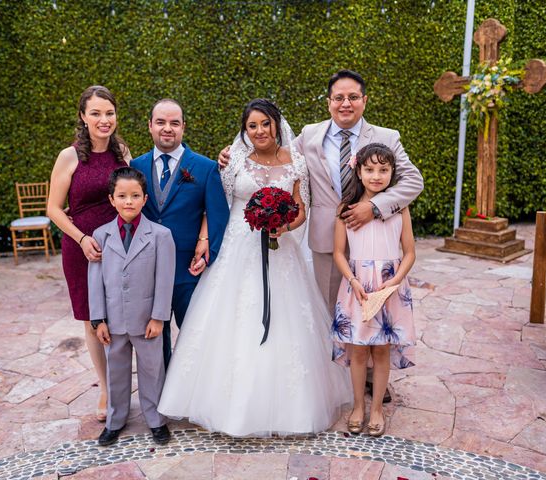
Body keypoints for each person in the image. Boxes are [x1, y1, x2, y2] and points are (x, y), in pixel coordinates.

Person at [219, 70, 423, 402]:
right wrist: (231, 155)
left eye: (353, 97)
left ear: (364, 100)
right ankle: (340, 380)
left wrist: (374, 207)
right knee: (335, 309)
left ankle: (373, 376)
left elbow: (414, 181)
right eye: (339, 98)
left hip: (376, 240)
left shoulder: (387, 136)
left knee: (376, 306)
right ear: (328, 102)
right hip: (328, 239)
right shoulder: (310, 136)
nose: (346, 104)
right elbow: (275, 155)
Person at [158, 99, 351, 437]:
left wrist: (283, 227)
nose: (260, 131)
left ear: (276, 124)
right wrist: (206, 240)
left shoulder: (297, 163)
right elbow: (216, 207)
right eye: (252, 126)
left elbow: (301, 209)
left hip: (281, 252)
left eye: (265, 123)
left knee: (287, 323)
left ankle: (285, 409)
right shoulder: (233, 162)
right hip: (236, 249)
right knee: (228, 320)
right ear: (244, 131)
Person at [47, 85, 131, 422]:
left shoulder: (122, 150)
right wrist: (82, 239)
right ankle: (106, 389)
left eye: (109, 113)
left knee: (122, 315)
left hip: (120, 245)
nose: (103, 119)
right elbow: (53, 209)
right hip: (82, 247)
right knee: (93, 318)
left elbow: (131, 194)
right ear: (83, 117)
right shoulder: (69, 157)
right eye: (95, 113)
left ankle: (124, 382)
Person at [131, 99, 229, 368]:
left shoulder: (205, 168)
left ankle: (192, 393)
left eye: (174, 123)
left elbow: (218, 215)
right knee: (153, 336)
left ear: (183, 127)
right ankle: (160, 392)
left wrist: (207, 249)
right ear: (150, 126)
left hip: (188, 269)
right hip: (147, 270)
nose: (167, 128)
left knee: (193, 336)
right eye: (161, 122)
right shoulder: (134, 167)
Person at [332, 143, 416, 437]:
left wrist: (394, 282)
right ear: (358, 170)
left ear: (392, 174)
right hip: (357, 287)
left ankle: (377, 408)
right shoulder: (345, 208)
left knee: (381, 351)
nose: (376, 176)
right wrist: (353, 280)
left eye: (384, 170)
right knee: (357, 351)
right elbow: (339, 253)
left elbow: (409, 253)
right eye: (369, 169)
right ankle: (358, 406)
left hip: (388, 286)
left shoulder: (399, 208)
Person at [88, 167, 175, 446]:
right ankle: (115, 420)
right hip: (113, 320)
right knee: (116, 371)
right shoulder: (100, 236)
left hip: (146, 319)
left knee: (152, 370)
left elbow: (164, 280)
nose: (129, 201)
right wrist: (97, 319)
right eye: (122, 196)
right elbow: (95, 280)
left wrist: (159, 317)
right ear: (111, 199)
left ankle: (156, 419)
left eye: (135, 195)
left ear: (144, 198)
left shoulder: (160, 235)